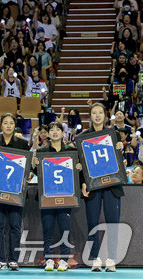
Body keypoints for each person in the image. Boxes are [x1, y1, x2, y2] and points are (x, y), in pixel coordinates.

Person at [79, 103, 124, 272]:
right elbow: (81, 163)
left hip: (112, 185)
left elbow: (119, 162)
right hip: (92, 186)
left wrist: (120, 149)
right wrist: (83, 182)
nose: (97, 116)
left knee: (113, 222)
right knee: (92, 222)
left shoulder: (114, 134)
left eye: (100, 113)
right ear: (90, 116)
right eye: (94, 113)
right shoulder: (83, 137)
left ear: (105, 116)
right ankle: (95, 258)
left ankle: (111, 258)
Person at [0, 113, 30, 271]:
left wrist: (29, 172)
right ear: (1, 126)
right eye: (5, 123)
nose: (9, 125)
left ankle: (13, 260)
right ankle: (0, 259)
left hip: (15, 191)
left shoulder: (23, 144)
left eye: (11, 123)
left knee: (14, 226)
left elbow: (28, 166)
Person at [33, 122, 76, 272]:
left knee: (65, 229)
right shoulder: (41, 151)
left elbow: (77, 173)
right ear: (48, 134)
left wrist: (78, 167)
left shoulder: (71, 151)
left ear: (63, 133)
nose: (55, 132)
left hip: (66, 195)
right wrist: (34, 163)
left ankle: (64, 260)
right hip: (47, 196)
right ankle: (49, 259)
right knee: (48, 230)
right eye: (52, 130)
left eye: (58, 129)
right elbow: (35, 172)